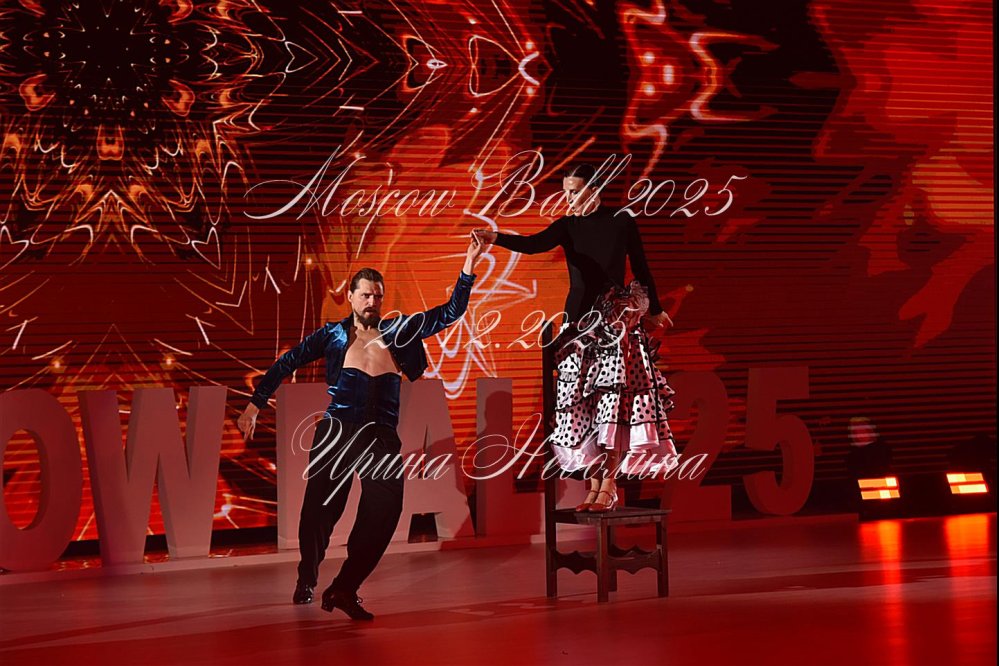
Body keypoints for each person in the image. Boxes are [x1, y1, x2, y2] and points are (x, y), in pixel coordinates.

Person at [237, 238, 485, 620]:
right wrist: (255, 405)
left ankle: (344, 588)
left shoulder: (399, 332)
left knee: (386, 510)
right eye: (366, 295)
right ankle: (307, 576)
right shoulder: (334, 335)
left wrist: (468, 264)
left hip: (380, 436)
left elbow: (450, 313)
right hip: (337, 431)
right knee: (319, 511)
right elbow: (288, 362)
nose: (372, 302)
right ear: (351, 297)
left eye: (378, 296)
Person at [473, 163, 676, 513]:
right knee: (582, 407)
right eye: (565, 191)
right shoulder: (568, 226)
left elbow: (642, 267)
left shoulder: (621, 221)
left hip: (612, 323)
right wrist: (494, 237)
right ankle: (594, 487)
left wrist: (655, 308)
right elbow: (534, 244)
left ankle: (609, 487)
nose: (568, 198)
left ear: (594, 189)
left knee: (611, 405)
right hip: (577, 326)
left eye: (574, 191)